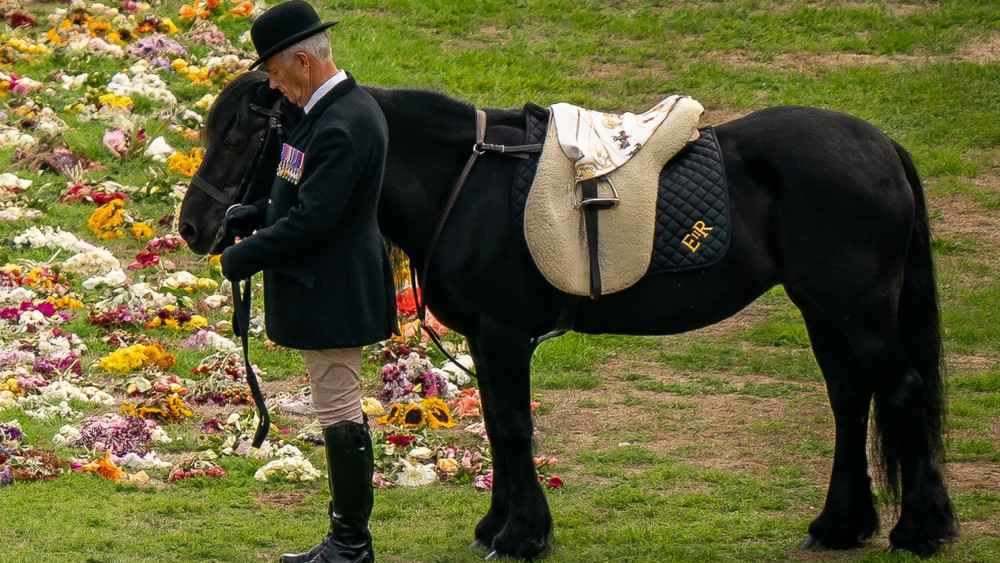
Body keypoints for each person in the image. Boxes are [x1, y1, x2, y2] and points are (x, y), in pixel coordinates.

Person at [219, 2, 396, 561]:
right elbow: (295, 189)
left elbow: (315, 220)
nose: (274, 85)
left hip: (334, 288)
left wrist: (243, 258)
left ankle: (350, 544)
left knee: (339, 410)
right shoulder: (322, 114)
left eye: (273, 73)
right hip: (325, 284)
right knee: (334, 405)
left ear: (301, 61)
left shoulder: (342, 123)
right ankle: (346, 539)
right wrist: (252, 213)